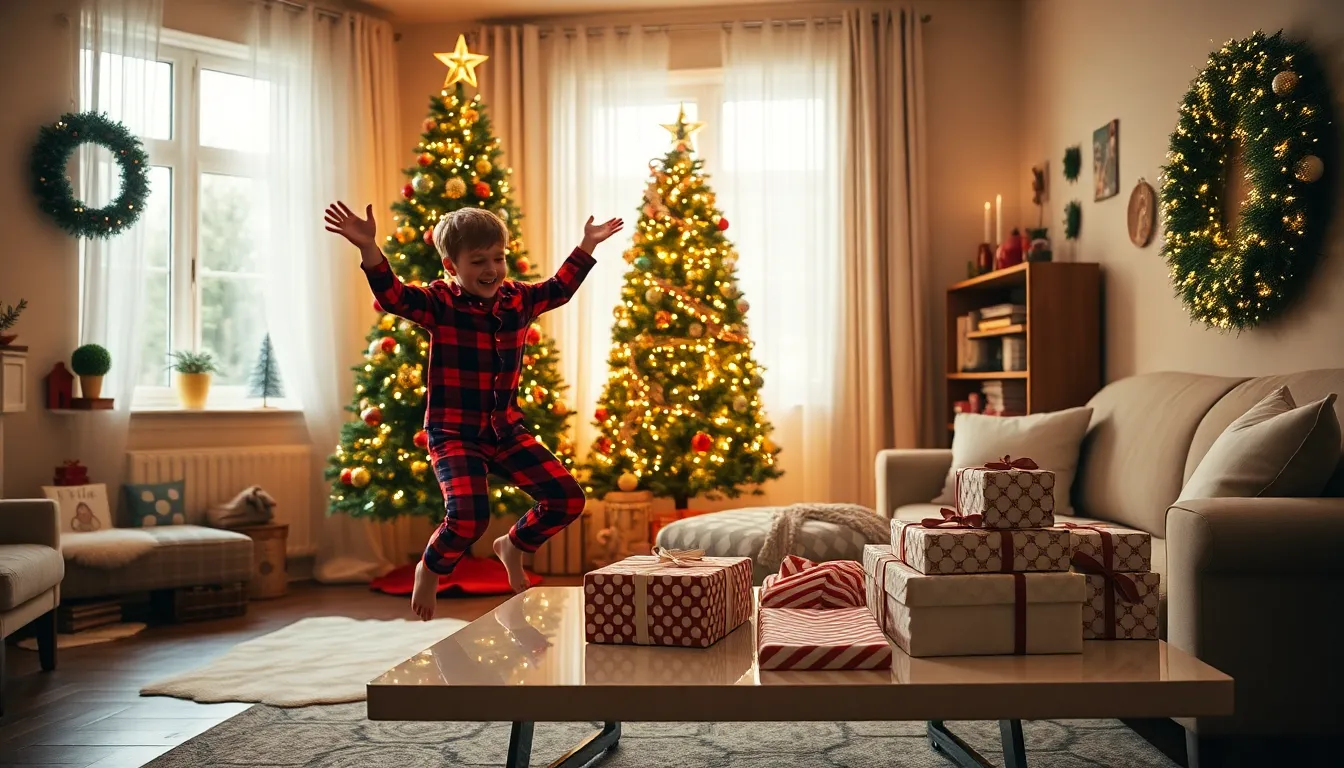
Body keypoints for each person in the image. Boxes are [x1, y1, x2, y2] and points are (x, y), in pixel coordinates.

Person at [324, 201, 623, 620]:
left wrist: (587, 244)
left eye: (498, 258)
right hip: (453, 433)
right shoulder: (440, 304)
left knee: (567, 497)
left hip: (505, 431)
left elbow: (559, 287)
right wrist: (369, 248)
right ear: (451, 265)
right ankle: (429, 567)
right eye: (478, 261)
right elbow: (393, 296)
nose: (492, 269)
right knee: (468, 516)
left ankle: (514, 545)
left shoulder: (518, 299)